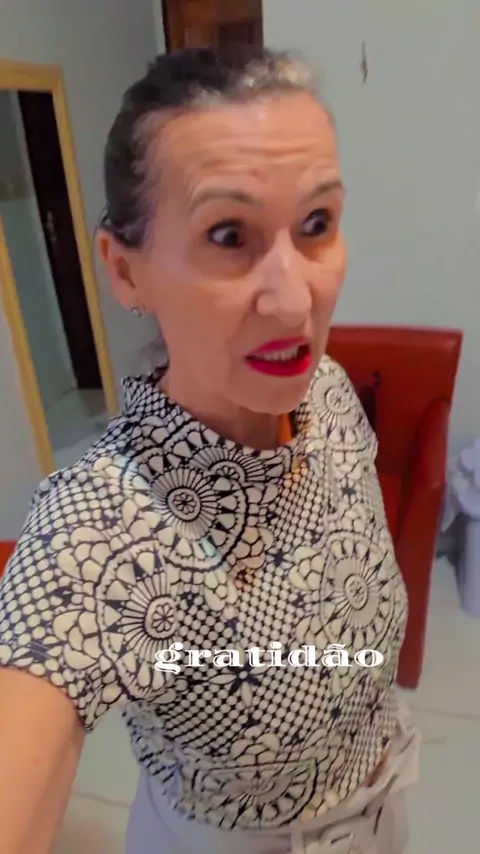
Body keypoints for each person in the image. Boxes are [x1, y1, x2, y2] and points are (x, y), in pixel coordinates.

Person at [0, 46, 419, 854]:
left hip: (384, 792)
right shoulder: (99, 530)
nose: (294, 301)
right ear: (125, 271)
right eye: (228, 234)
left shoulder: (327, 391)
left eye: (317, 225)